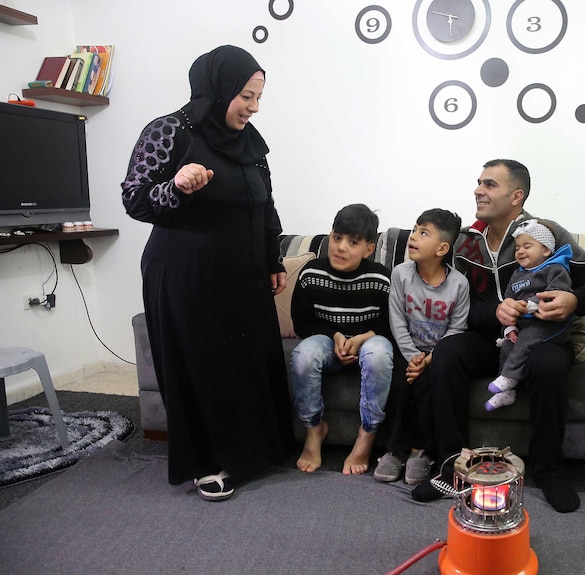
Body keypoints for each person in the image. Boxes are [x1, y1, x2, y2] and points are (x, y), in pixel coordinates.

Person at [121, 45, 294, 502]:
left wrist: (273, 260)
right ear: (216, 90)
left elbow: (265, 205)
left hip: (242, 275)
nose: (254, 108)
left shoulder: (250, 142)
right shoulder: (169, 131)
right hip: (185, 277)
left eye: (258, 98)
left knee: (249, 361)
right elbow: (136, 199)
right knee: (202, 367)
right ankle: (207, 461)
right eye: (246, 97)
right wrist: (176, 186)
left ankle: (254, 452)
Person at [412, 159, 585, 513]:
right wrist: (495, 311)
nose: (478, 190)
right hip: (489, 339)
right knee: (447, 352)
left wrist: (573, 299)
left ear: (516, 196)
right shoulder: (464, 244)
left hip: (540, 337)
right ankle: (450, 466)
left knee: (549, 363)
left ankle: (549, 470)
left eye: (489, 184)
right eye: (478, 183)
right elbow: (461, 305)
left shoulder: (546, 233)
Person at [290, 203, 393, 476]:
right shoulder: (312, 273)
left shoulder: (381, 278)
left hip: (368, 343)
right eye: (337, 238)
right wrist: (334, 334)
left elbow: (390, 324)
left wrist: (360, 339)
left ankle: (366, 435)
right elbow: (302, 322)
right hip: (326, 343)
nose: (341, 247)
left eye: (353, 242)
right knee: (303, 356)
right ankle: (314, 431)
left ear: (369, 248)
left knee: (380, 354)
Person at [373, 209, 470, 485]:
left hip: (436, 354)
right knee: (401, 382)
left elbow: (457, 329)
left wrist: (428, 360)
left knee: (428, 384)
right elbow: (397, 321)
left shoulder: (459, 284)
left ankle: (421, 452)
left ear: (442, 248)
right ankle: (395, 450)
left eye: (423, 233)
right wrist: (414, 357)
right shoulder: (401, 274)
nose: (413, 237)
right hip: (407, 348)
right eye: (414, 230)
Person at [484, 218, 574, 411]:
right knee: (508, 345)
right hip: (523, 324)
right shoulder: (517, 275)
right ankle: (508, 392)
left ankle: (510, 376)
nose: (520, 251)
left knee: (528, 337)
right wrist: (509, 327)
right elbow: (507, 300)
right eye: (517, 248)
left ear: (546, 250)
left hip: (549, 324)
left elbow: (555, 295)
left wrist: (527, 306)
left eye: (527, 246)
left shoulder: (555, 269)